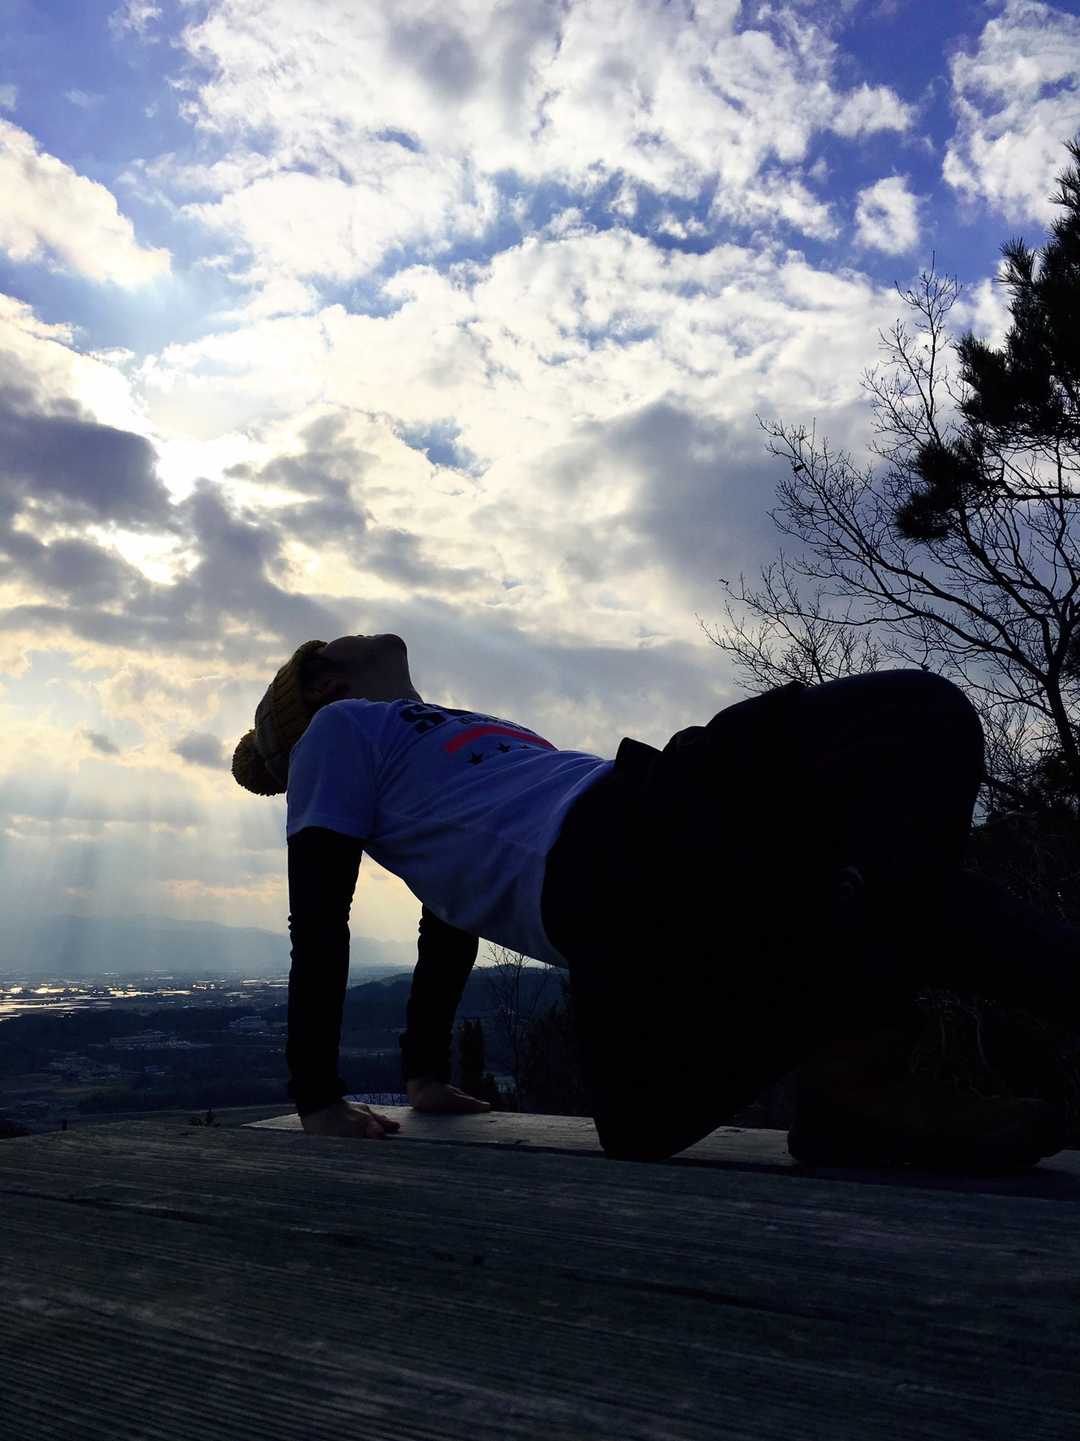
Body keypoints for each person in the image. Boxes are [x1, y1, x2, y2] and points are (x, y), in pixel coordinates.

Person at [232, 634, 1080, 1169]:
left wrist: (424, 1072)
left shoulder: (442, 729)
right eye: (327, 649)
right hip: (622, 845)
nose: (359, 636)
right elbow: (321, 917)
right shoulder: (338, 733)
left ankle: (853, 1081)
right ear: (325, 684)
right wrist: (317, 1096)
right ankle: (852, 1077)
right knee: (920, 723)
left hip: (647, 837)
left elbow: (448, 902)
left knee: (899, 889)